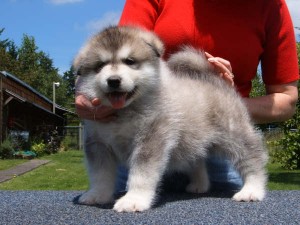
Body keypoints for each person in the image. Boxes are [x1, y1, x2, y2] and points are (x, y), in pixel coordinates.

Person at [75, 0, 299, 193]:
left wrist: (222, 101)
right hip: (136, 146)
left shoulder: (271, 7)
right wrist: (90, 95)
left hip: (217, 150)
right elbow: (119, 53)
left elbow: (285, 100)